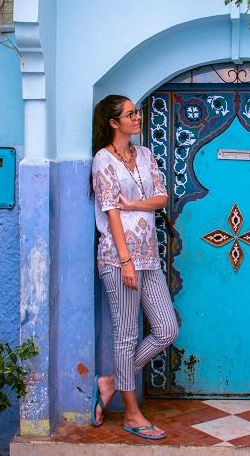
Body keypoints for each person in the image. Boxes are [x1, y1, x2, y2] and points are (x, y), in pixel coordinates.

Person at [89, 94, 178, 440]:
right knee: (126, 336)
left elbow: (161, 198)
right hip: (118, 257)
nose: (137, 117)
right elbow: (111, 212)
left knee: (166, 329)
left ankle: (110, 381)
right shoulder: (103, 161)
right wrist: (125, 260)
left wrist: (135, 204)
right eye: (130, 114)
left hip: (149, 257)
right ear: (114, 123)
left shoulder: (145, 155)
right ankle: (131, 413)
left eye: (136, 112)